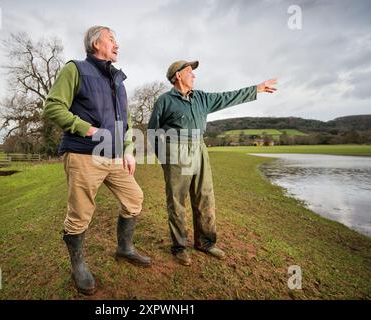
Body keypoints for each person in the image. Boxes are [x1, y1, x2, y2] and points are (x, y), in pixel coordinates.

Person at [43, 26, 152, 295]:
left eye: (117, 39)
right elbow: (53, 106)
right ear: (96, 43)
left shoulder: (119, 81)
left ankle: (124, 248)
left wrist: (128, 150)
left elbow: (125, 122)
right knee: (80, 214)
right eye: (112, 39)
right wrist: (86, 128)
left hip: (115, 156)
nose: (117, 44)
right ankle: (78, 266)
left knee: (134, 199)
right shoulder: (76, 69)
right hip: (82, 153)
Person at [147, 60, 277, 266]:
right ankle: (180, 246)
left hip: (199, 148)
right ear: (178, 75)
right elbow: (153, 131)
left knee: (205, 196)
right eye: (190, 72)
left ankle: (205, 243)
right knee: (176, 200)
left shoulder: (202, 98)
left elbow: (228, 97)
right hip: (175, 150)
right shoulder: (165, 100)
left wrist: (257, 89)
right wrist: (164, 158)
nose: (194, 75)